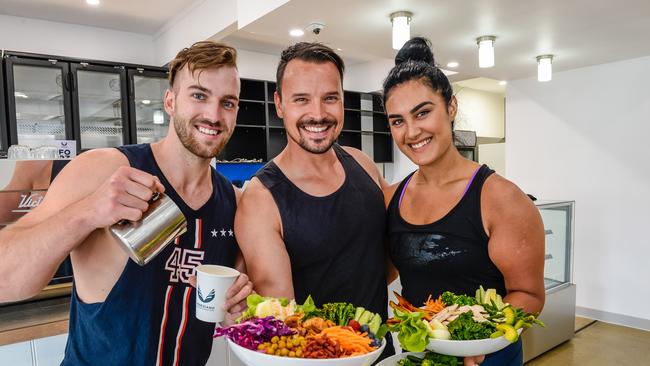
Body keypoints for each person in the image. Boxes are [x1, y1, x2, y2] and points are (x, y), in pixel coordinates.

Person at [0, 41, 253, 366]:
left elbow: (237, 321)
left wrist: (238, 313)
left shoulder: (236, 202)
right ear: (171, 101)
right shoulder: (102, 169)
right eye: (199, 95)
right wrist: (88, 211)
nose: (214, 115)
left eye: (228, 103)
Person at [382, 38, 545, 366]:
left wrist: (478, 338)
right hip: (421, 354)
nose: (411, 131)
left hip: (488, 356)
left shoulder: (500, 198)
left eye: (423, 112)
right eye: (397, 120)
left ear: (451, 107)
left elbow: (529, 295)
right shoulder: (390, 198)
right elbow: (378, 274)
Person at [234, 42, 394, 360]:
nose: (318, 114)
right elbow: (282, 321)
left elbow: (387, 260)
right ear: (279, 104)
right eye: (301, 99)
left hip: (381, 353)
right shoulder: (261, 200)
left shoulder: (362, 164)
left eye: (330, 98)